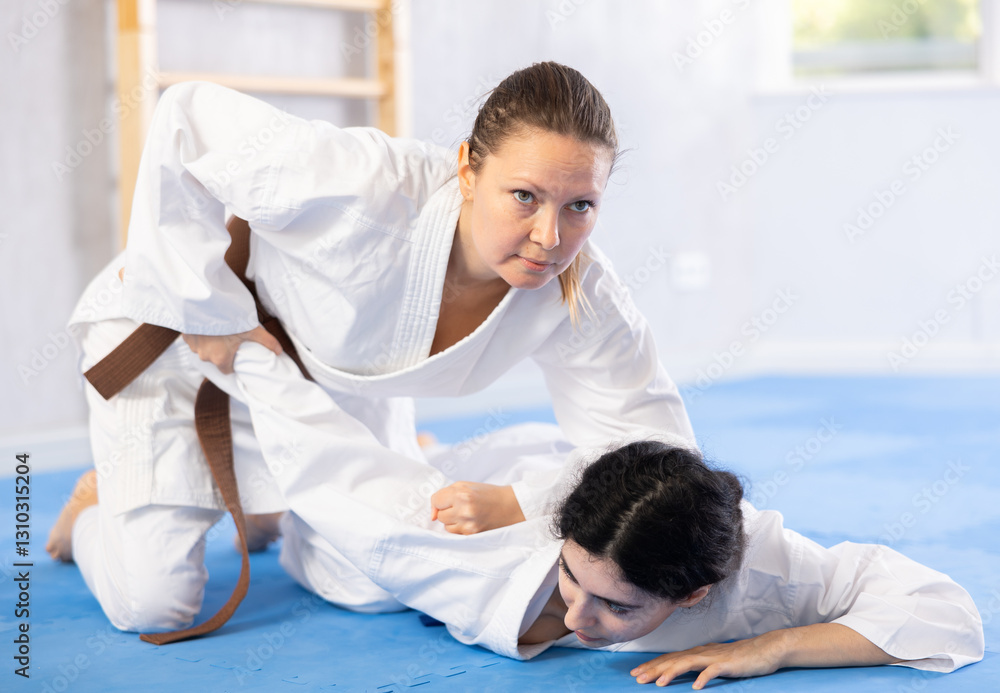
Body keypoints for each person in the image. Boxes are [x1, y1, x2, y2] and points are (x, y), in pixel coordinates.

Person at [46, 62, 694, 633]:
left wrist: (528, 502)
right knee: (155, 604)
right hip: (182, 345)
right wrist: (208, 308)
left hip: (336, 386)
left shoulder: (582, 292)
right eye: (524, 195)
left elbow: (656, 451)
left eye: (581, 205)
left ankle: (282, 507)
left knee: (375, 583)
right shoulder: (363, 183)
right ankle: (93, 514)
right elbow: (186, 115)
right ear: (468, 168)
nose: (549, 236)